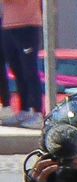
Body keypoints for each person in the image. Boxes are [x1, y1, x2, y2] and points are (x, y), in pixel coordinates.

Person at [1, 0, 42, 128]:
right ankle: (24, 109)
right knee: (17, 69)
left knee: (30, 70)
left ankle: (37, 112)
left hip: (28, 25)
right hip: (9, 25)